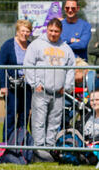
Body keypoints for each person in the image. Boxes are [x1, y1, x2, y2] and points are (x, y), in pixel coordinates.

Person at [23, 18, 75, 162]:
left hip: (58, 92)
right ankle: (39, 151)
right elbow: (28, 64)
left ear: (60, 32)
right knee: (38, 122)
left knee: (54, 122)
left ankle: (50, 149)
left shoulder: (65, 48)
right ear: (47, 29)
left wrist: (67, 86)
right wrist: (34, 83)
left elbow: (71, 68)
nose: (53, 34)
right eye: (51, 30)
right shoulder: (36, 45)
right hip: (41, 91)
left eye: (56, 31)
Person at [0, 20, 33, 142]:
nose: (25, 33)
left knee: (24, 116)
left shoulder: (31, 46)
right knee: (11, 114)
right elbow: (1, 65)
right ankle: (7, 142)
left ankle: (20, 142)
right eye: (22, 31)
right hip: (12, 86)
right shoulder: (8, 45)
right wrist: (3, 85)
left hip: (27, 86)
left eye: (27, 31)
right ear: (17, 32)